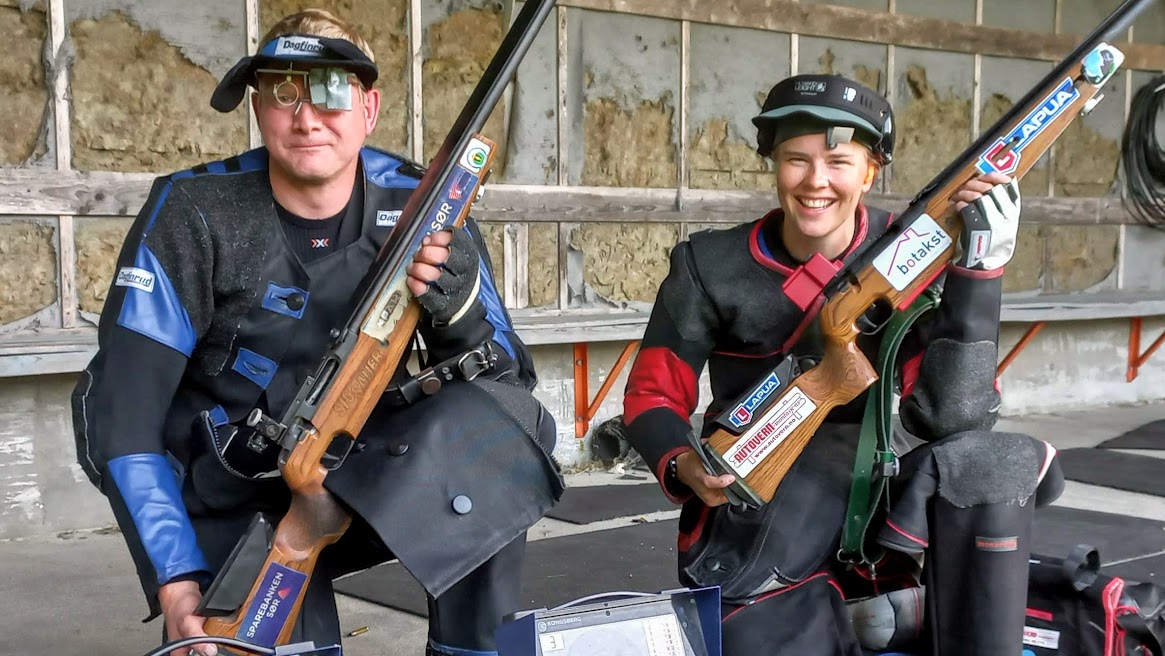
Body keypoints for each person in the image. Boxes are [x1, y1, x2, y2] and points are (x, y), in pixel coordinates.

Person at [71, 9, 562, 656]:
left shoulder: (426, 203)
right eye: (282, 92)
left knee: (497, 442)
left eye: (331, 90)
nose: (306, 117)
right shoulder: (193, 211)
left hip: (368, 477)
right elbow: (122, 414)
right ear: (257, 107)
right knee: (255, 642)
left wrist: (461, 313)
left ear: (369, 108)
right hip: (229, 490)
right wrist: (174, 578)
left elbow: (508, 389)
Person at [622, 74, 1063, 655]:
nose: (816, 181)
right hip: (761, 493)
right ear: (773, 164)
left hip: (887, 486)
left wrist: (979, 271)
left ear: (870, 172)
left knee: (992, 462)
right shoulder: (708, 265)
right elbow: (652, 397)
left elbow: (955, 420)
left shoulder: (913, 253)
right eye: (796, 160)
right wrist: (684, 466)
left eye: (838, 162)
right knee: (752, 637)